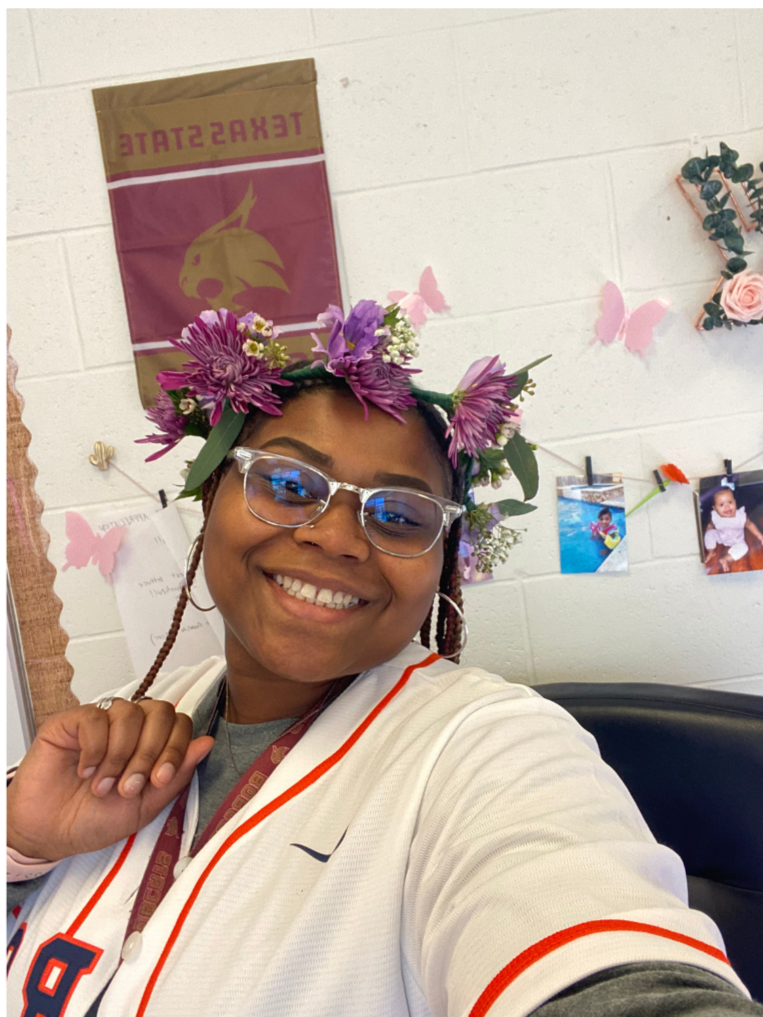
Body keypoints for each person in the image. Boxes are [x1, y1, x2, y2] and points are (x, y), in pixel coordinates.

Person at [7, 302, 761, 1017]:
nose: (336, 537)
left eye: (399, 515)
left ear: (441, 562)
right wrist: (22, 846)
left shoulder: (493, 748)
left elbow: (610, 960)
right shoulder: (128, 728)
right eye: (287, 483)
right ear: (211, 498)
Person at [704, 486, 763, 573]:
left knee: (744, 548)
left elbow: (750, 525)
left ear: (735, 502)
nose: (727, 507)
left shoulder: (740, 517)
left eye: (730, 502)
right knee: (710, 534)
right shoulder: (715, 517)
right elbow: (710, 525)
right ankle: (711, 551)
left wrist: (760, 536)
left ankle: (726, 558)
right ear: (715, 508)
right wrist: (708, 536)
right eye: (721, 505)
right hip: (721, 536)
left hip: (737, 540)